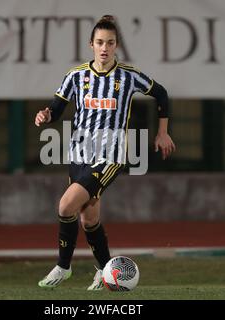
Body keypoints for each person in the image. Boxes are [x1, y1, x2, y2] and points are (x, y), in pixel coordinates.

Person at [34, 15, 176, 290]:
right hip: (78, 155)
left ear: (116, 46)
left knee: (65, 206)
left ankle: (63, 267)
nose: (104, 47)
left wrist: (162, 132)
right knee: (90, 218)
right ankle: (105, 271)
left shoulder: (128, 76)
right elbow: (56, 108)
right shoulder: (76, 76)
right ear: (91, 44)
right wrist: (45, 115)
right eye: (100, 42)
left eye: (110, 43)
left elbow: (161, 94)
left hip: (111, 156)